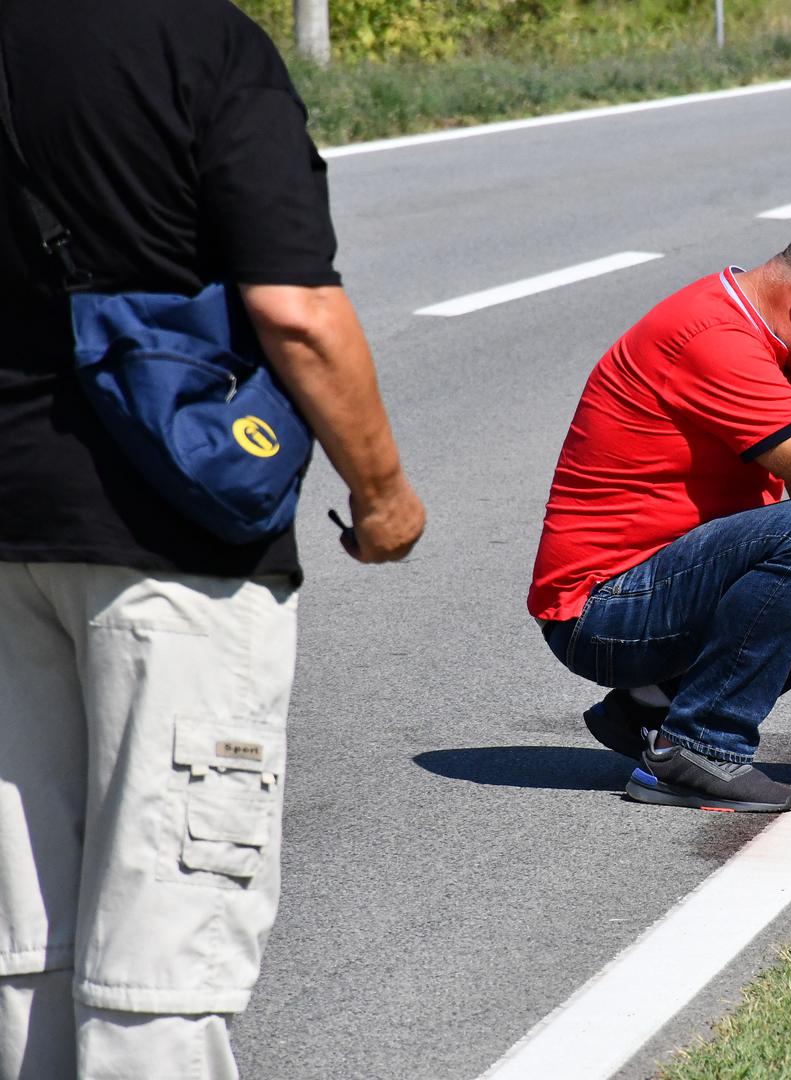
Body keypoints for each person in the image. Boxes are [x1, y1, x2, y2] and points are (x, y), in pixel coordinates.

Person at [0, 3, 425, 1077]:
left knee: (22, 950)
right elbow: (295, 312)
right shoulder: (204, 43)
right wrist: (382, 498)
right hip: (173, 549)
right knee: (159, 964)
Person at [529, 216, 791, 814]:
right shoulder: (716, 337)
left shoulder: (782, 352)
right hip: (599, 613)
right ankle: (698, 749)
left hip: (665, 590)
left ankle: (650, 709)